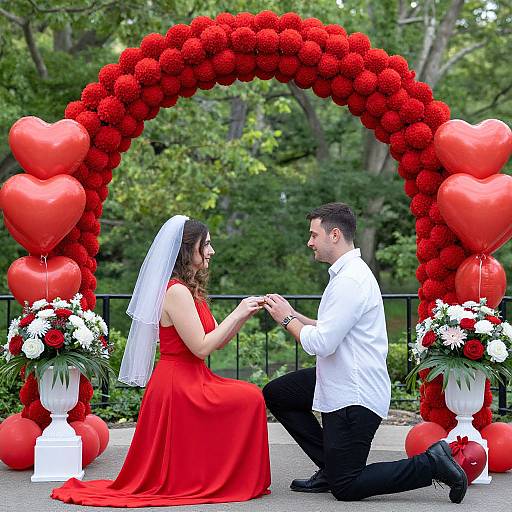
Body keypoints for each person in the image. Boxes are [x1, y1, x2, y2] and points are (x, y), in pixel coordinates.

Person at [52, 216, 271, 507]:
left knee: (250, 396)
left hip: (194, 377)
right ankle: (220, 478)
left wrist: (242, 315)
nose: (211, 251)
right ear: (186, 250)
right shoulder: (176, 291)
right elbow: (202, 347)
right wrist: (238, 311)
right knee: (250, 397)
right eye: (205, 244)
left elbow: (218, 338)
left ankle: (220, 475)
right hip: (178, 384)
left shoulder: (191, 290)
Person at [262, 202, 467, 504]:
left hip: (354, 393)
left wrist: (286, 319)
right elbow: (330, 327)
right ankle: (331, 468)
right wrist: (295, 314)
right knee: (280, 393)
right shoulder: (346, 274)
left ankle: (431, 464)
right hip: (339, 376)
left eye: (313, 235)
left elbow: (321, 343)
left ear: (334, 235)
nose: (309, 242)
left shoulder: (350, 280)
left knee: (347, 487)